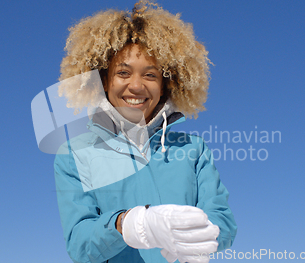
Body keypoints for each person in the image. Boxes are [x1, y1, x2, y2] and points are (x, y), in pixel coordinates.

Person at [54, 1, 237, 262]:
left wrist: (203, 234)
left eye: (150, 75)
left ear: (165, 85)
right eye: (123, 72)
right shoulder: (74, 154)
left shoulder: (194, 150)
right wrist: (127, 224)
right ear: (105, 81)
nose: (136, 86)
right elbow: (80, 244)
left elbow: (224, 224)